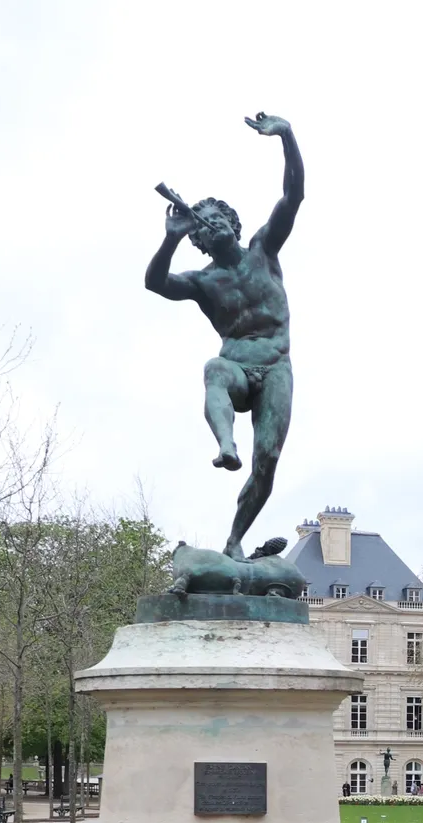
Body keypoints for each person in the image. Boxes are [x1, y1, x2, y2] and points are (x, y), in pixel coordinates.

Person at [145, 114, 304, 561]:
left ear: (231, 223)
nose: (208, 227)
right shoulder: (203, 281)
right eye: (200, 227)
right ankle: (225, 445)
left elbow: (294, 195)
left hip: (275, 365)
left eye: (214, 219)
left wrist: (287, 136)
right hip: (235, 367)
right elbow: (155, 282)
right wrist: (170, 239)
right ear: (197, 240)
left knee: (268, 458)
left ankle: (234, 540)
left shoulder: (263, 250)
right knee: (213, 368)